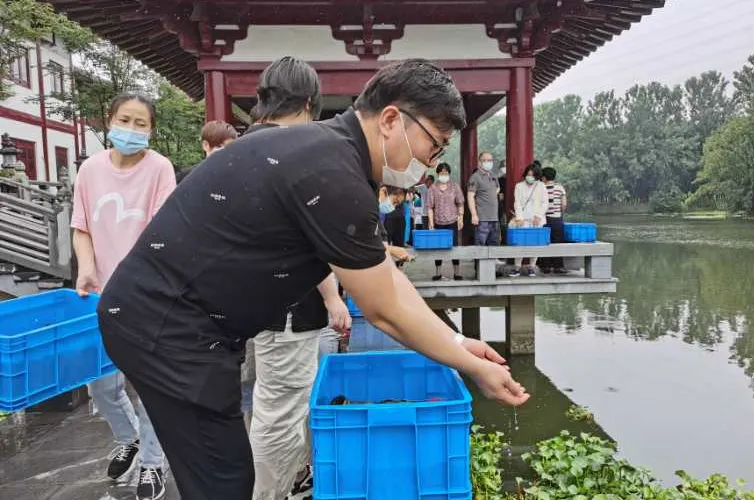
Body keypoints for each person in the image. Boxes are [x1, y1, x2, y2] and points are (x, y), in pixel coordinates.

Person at [96, 58, 529, 500]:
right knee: (222, 480)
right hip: (167, 326)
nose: (429, 163)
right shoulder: (333, 173)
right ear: (391, 120)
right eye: (434, 145)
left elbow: (386, 279)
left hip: (181, 321)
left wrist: (456, 342)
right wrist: (471, 367)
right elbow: (384, 311)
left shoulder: (330, 155)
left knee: (223, 471)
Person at [240, 57, 351, 500]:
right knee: (279, 414)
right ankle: (268, 494)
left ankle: (295, 480)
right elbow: (312, 243)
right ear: (309, 104)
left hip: (253, 305)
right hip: (285, 309)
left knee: (279, 403)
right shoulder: (292, 155)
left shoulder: (243, 149)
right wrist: (335, 299)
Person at [71, 93, 176, 500]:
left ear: (151, 130)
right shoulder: (90, 170)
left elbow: (162, 234)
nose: (131, 129)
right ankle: (127, 437)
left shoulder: (159, 169)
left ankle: (152, 462)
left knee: (148, 384)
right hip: (100, 293)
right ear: (110, 121)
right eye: (124, 120)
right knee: (100, 384)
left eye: (140, 123)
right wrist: (86, 268)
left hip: (146, 294)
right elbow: (81, 227)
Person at [509, 163, 549, 277]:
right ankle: (517, 267)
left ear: (537, 176)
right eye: (528, 174)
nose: (530, 177)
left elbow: (545, 202)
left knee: (535, 244)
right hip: (523, 219)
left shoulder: (541, 186)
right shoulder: (519, 186)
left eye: (532, 175)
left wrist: (538, 216)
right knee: (519, 243)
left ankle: (532, 267)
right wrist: (519, 218)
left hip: (536, 220)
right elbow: (517, 203)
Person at [426, 162, 464, 280]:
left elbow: (460, 203)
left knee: (454, 247)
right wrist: (431, 222)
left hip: (452, 221)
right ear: (438, 174)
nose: (444, 175)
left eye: (446, 173)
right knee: (438, 247)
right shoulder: (432, 188)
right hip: (438, 222)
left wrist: (461, 218)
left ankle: (456, 272)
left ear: (449, 173)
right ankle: (438, 273)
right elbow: (430, 207)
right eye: (442, 173)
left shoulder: (455, 187)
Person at [540, 166, 568, 274]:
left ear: (544, 177)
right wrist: (560, 213)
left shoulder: (541, 188)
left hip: (544, 219)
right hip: (557, 219)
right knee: (558, 242)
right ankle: (558, 266)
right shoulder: (560, 188)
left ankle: (546, 266)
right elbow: (564, 204)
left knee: (545, 242)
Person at [468, 151, 501, 247]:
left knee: (495, 245)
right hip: (482, 219)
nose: (488, 162)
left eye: (490, 160)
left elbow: (497, 188)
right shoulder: (475, 177)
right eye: (485, 160)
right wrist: (474, 215)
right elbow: (470, 196)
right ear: (479, 162)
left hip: (494, 218)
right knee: (480, 246)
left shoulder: (493, 175)